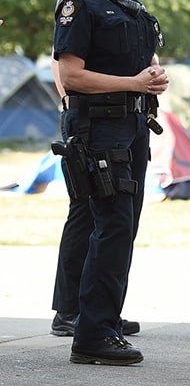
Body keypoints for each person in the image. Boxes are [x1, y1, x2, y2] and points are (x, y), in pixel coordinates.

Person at [53, 0, 168, 365]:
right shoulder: (80, 3)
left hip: (132, 127)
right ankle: (93, 333)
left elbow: (141, 67)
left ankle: (102, 320)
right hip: (98, 131)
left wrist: (152, 78)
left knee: (123, 227)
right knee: (111, 226)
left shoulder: (131, 8)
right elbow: (71, 74)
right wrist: (134, 82)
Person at [48, 59, 140, 339]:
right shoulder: (82, 12)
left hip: (127, 117)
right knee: (84, 214)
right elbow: (60, 60)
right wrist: (68, 99)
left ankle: (102, 311)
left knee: (119, 221)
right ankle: (69, 310)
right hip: (90, 118)